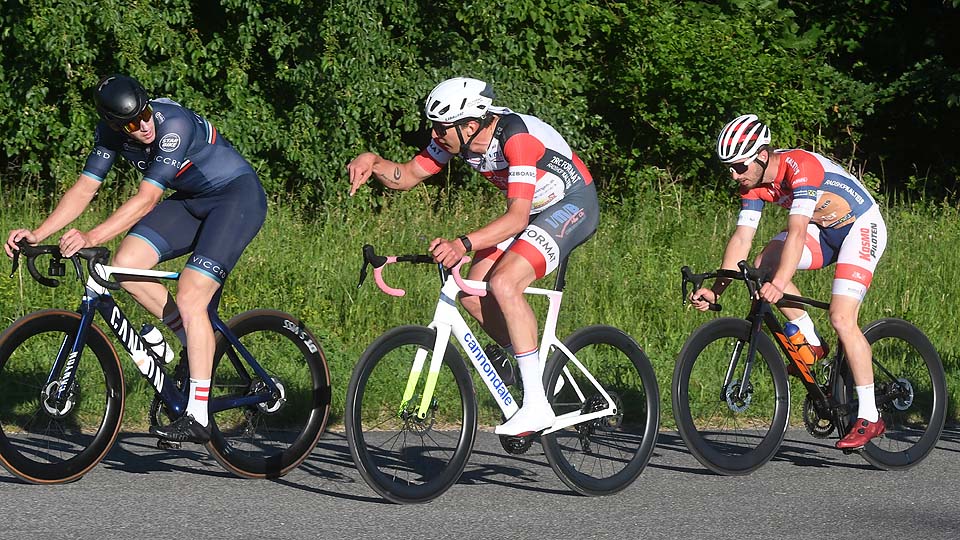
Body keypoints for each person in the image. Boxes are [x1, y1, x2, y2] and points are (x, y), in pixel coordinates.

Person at [4, 74, 267, 443]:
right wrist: (38, 233)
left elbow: (147, 200)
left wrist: (91, 237)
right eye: (130, 123)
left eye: (143, 115)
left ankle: (199, 415)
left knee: (192, 294)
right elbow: (85, 188)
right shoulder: (109, 133)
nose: (143, 127)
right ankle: (193, 340)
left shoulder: (172, 125)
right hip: (192, 202)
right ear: (114, 124)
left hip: (236, 198)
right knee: (126, 264)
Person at [347, 77, 599, 436]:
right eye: (433, 126)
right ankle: (541, 375)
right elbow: (407, 175)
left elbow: (516, 218)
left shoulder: (516, 138)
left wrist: (461, 244)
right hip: (532, 212)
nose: (434, 135)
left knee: (504, 283)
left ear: (469, 125)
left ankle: (537, 406)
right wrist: (371, 161)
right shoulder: (459, 140)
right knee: (471, 290)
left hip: (571, 204)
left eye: (441, 128)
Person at [690, 114, 888, 449]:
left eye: (738, 166)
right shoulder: (752, 184)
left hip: (860, 226)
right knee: (760, 265)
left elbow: (796, 233)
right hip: (823, 229)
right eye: (729, 168)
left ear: (761, 156)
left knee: (841, 318)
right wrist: (717, 289)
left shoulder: (800, 167)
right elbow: (742, 238)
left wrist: (780, 284)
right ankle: (811, 341)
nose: (734, 175)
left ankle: (870, 415)